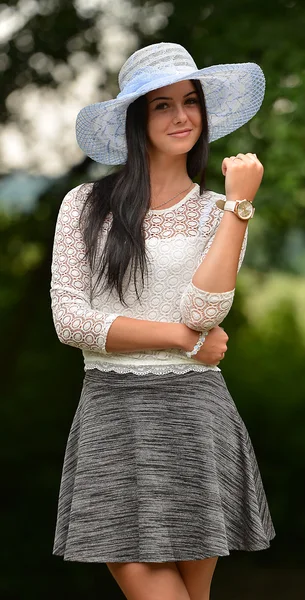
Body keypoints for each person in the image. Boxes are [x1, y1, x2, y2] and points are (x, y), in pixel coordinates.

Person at [50, 42, 275, 600]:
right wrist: (179, 339)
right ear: (136, 119)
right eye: (161, 105)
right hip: (112, 416)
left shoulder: (218, 214)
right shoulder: (85, 206)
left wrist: (240, 205)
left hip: (196, 419)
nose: (181, 117)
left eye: (190, 102)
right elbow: (70, 320)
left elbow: (205, 312)